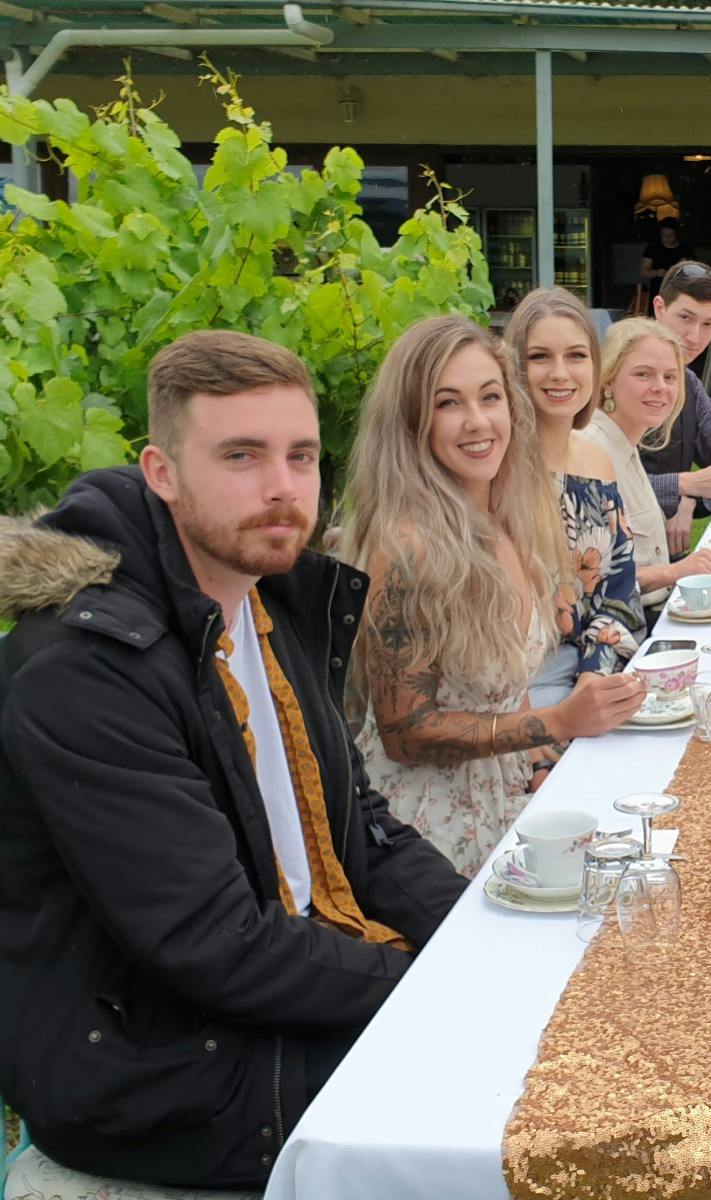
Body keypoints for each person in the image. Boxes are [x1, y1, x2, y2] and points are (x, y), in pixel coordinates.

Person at [0, 331, 468, 1188]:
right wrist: (429, 988)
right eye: (241, 456)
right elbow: (213, 944)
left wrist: (477, 941)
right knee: (520, 1114)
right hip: (167, 1069)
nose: (283, 489)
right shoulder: (84, 670)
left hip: (288, 982)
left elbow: (360, 826)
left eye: (300, 456)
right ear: (162, 472)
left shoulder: (268, 606)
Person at [340, 316, 646, 876]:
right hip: (428, 844)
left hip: (511, 807)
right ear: (411, 421)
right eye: (448, 403)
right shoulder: (408, 546)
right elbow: (405, 735)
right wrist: (559, 723)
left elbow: (507, 684)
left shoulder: (506, 520)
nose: (478, 421)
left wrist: (536, 762)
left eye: (490, 397)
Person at [504, 288, 650, 702]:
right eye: (539, 357)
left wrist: (593, 678)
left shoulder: (597, 462)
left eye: (575, 356)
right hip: (520, 694)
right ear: (514, 368)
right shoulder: (498, 470)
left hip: (592, 677)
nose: (559, 373)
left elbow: (620, 592)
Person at [579, 316, 711, 619]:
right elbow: (589, 587)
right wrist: (675, 571)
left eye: (670, 377)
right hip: (626, 635)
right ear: (608, 379)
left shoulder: (625, 444)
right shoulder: (591, 452)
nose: (660, 387)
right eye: (643, 375)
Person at [637, 260, 711, 555]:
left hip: (670, 558)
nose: (694, 337)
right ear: (659, 308)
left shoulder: (690, 384)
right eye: (685, 318)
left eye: (708, 325)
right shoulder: (611, 381)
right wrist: (683, 484)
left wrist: (690, 499)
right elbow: (605, 488)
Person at [640, 217, 693, 294]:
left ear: (677, 234)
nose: (668, 238)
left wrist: (682, 267)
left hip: (679, 291)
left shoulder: (685, 249)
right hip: (658, 290)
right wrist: (657, 272)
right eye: (664, 235)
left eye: (671, 235)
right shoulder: (652, 248)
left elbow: (694, 272)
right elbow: (644, 272)